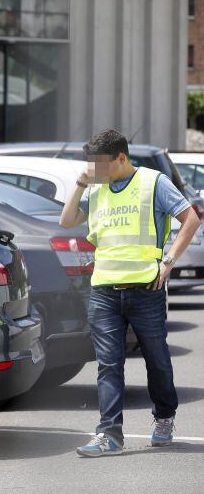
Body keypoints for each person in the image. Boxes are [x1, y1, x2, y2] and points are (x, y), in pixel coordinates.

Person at [59, 129, 200, 457]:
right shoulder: (96, 189)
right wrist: (81, 182)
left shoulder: (153, 183)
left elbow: (190, 218)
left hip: (146, 290)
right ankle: (110, 434)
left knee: (157, 360)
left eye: (100, 165)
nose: (96, 171)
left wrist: (169, 261)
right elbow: (67, 221)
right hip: (104, 291)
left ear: (121, 158)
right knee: (108, 364)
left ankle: (164, 417)